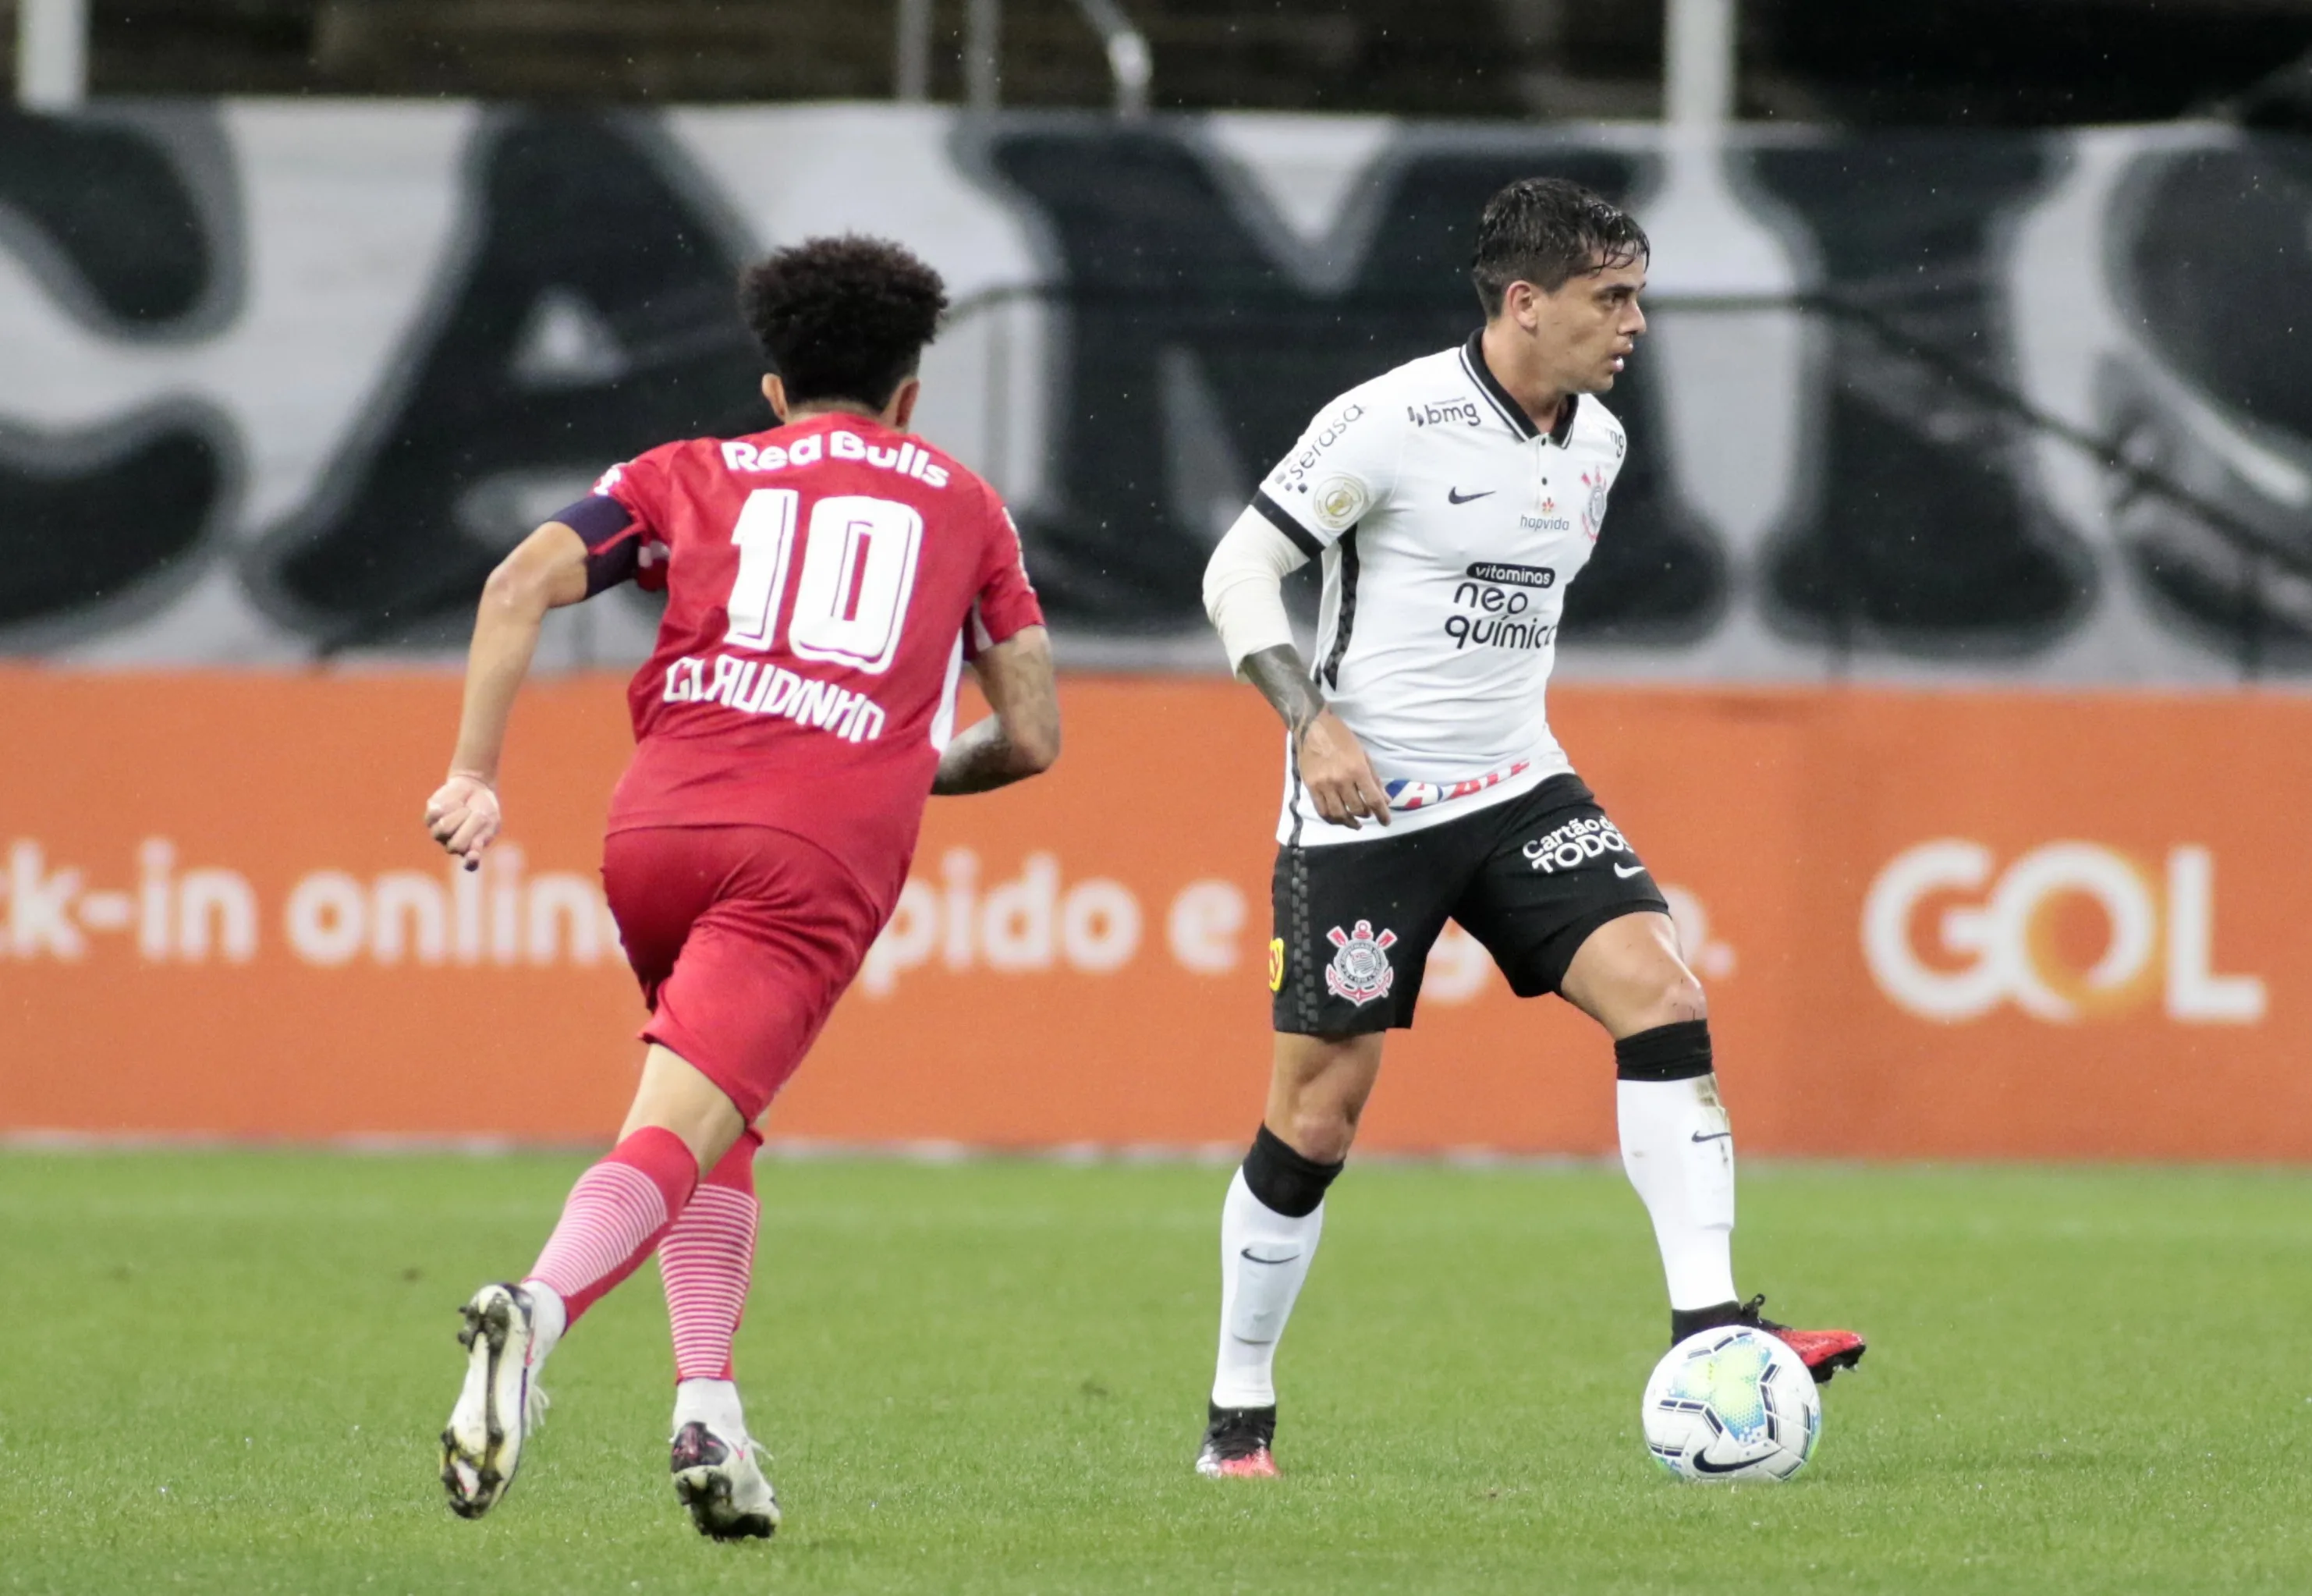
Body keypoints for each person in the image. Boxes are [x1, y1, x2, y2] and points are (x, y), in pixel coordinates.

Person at [1190, 177, 1863, 1479]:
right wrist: (1310, 722)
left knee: (1662, 993)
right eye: (1612, 298)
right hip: (1366, 809)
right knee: (1317, 1115)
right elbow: (1237, 572)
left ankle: (1713, 1333)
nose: (1634, 325)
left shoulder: (1597, 444)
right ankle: (1238, 1417)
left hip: (1519, 788)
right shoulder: (1389, 420)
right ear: (1524, 301)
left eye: (1639, 297)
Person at [422, 235, 1058, 1535]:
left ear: (774, 387)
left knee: (716, 1115)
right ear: (910, 394)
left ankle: (707, 1408)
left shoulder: (685, 471)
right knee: (673, 1129)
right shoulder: (966, 503)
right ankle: (535, 1314)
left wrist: (475, 772)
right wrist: (892, 768)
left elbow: (516, 582)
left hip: (654, 827)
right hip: (809, 852)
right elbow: (1035, 730)